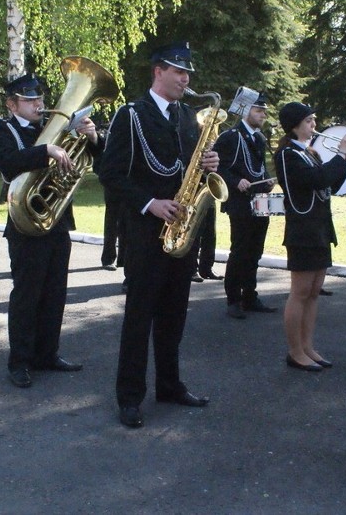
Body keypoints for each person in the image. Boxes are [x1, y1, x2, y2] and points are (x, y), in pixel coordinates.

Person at [99, 41, 219, 428]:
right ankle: (130, 397)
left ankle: (170, 385)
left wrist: (209, 162)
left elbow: (189, 167)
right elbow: (111, 174)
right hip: (146, 229)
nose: (185, 79)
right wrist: (149, 203)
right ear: (158, 72)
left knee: (173, 315)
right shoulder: (131, 114)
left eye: (187, 73)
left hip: (182, 228)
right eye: (177, 71)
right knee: (139, 316)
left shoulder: (189, 117)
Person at [0, 72, 101, 388]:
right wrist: (46, 151)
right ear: (12, 104)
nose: (38, 104)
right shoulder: (5, 130)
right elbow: (8, 164)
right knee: (27, 295)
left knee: (55, 293)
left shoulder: (53, 128)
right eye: (30, 100)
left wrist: (92, 137)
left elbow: (96, 160)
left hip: (57, 221)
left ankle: (47, 353)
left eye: (39, 99)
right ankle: (20, 361)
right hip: (25, 225)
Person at [274, 102, 346, 371]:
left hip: (319, 228)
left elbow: (330, 184)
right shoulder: (288, 155)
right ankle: (295, 351)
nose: (314, 126)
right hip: (302, 231)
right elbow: (316, 180)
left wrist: (344, 163)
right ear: (294, 126)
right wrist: (340, 158)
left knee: (314, 292)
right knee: (300, 292)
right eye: (309, 121)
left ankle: (308, 346)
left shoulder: (309, 153)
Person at [212, 91, 275, 318]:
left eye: (264, 111)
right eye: (259, 110)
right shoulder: (230, 137)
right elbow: (216, 166)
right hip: (240, 202)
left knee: (256, 250)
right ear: (246, 111)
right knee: (240, 250)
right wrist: (235, 180)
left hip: (261, 199)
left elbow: (259, 167)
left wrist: (266, 179)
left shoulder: (259, 137)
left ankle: (250, 295)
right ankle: (233, 299)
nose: (263, 115)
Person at [190, 205, 220, 282]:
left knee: (210, 235)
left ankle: (206, 269)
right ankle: (192, 270)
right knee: (195, 235)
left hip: (210, 203)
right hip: (196, 203)